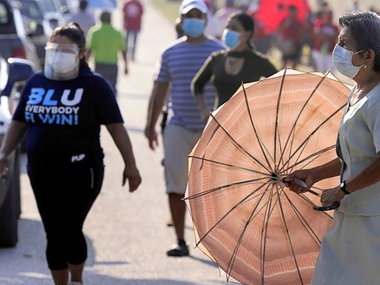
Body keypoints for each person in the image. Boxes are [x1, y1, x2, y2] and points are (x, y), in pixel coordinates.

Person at [0, 23, 141, 285]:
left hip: (82, 170)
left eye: (65, 50)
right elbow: (19, 121)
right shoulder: (37, 83)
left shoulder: (95, 86)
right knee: (52, 230)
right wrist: (3, 154)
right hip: (42, 170)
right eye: (53, 49)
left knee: (70, 226)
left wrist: (130, 164)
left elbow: (116, 128)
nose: (58, 54)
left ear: (81, 52)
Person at [285, 10, 380, 285]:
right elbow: (354, 156)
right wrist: (314, 174)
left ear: (368, 55)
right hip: (354, 210)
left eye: (344, 44)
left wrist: (343, 189)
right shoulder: (360, 91)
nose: (337, 50)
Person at [144, 0, 225, 257]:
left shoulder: (220, 52)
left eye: (197, 15)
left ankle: (214, 242)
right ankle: (180, 239)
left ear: (205, 19)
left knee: (211, 187)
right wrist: (150, 125)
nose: (193, 19)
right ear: (180, 20)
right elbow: (159, 90)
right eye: (188, 15)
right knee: (175, 183)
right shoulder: (170, 53)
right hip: (178, 125)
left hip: (211, 129)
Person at [193, 12, 277, 116]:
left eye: (234, 28)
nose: (228, 31)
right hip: (218, 122)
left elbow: (281, 84)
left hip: (246, 126)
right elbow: (197, 84)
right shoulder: (216, 58)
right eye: (227, 26)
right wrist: (204, 112)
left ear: (247, 34)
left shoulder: (258, 61)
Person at [86, 10, 128, 94]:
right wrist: (126, 65)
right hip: (112, 64)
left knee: (99, 87)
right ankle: (111, 105)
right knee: (112, 87)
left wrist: (85, 63)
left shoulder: (94, 32)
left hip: (99, 64)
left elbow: (89, 49)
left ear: (100, 19)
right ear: (111, 19)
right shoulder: (117, 33)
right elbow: (123, 51)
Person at [311, 8, 339, 73]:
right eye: (327, 15)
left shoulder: (334, 27)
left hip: (329, 52)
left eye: (330, 15)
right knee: (319, 71)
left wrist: (325, 36)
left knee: (330, 72)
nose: (329, 17)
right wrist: (329, 37)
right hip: (319, 51)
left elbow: (336, 37)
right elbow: (317, 33)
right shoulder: (320, 24)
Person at [278, 5, 305, 69]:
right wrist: (286, 24)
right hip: (287, 44)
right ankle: (280, 76)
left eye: (294, 11)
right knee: (284, 62)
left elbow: (302, 32)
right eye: (291, 11)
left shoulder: (298, 22)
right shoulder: (285, 20)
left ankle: (292, 77)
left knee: (294, 63)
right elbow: (279, 29)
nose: (293, 13)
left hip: (296, 43)